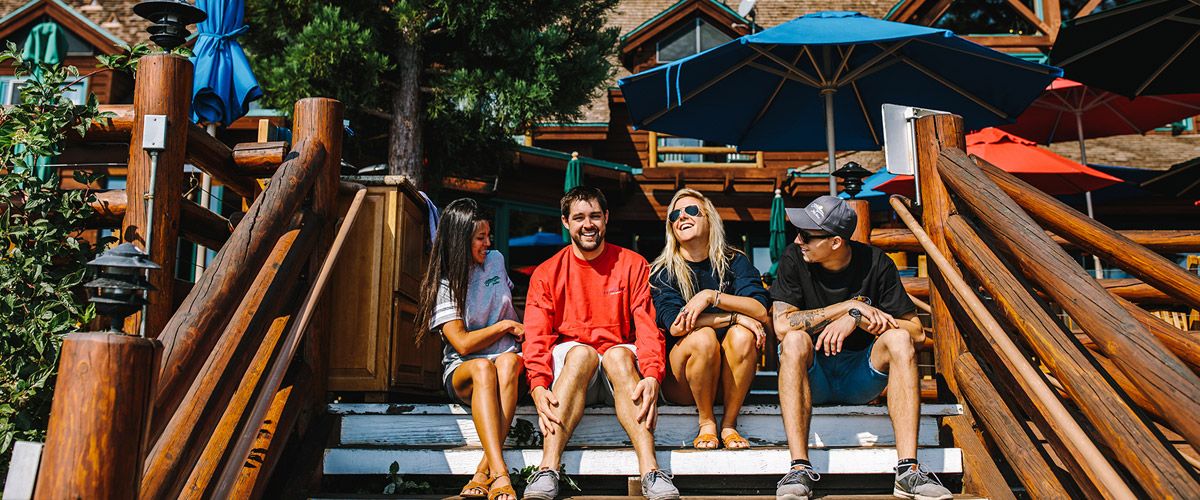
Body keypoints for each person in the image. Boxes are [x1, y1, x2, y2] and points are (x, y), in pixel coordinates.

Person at [770, 196, 951, 500]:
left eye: (808, 235)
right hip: (815, 377)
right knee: (793, 339)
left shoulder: (876, 263)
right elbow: (781, 325)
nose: (799, 240)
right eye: (798, 232)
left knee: (900, 339)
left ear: (836, 242)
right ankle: (799, 467)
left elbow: (916, 332)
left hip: (861, 375)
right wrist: (848, 306)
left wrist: (857, 320)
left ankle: (908, 470)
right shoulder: (794, 257)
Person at [521, 186, 680, 500]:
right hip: (573, 370)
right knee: (581, 354)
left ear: (606, 219)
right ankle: (548, 469)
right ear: (565, 222)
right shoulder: (547, 273)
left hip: (618, 373)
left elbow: (648, 327)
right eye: (579, 217)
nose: (588, 224)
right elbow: (536, 335)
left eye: (594, 215)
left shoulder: (633, 264)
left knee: (618, 356)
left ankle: (651, 471)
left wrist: (651, 375)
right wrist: (537, 384)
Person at [414, 199, 525, 500]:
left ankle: (482, 471)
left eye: (489, 235)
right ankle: (501, 473)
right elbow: (461, 342)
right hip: (464, 368)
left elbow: (505, 303)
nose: (488, 243)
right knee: (483, 367)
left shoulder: (497, 260)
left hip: (507, 357)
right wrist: (503, 327)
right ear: (461, 239)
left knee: (509, 364)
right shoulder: (445, 281)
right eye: (480, 237)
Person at [649, 188, 769, 450]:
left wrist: (711, 296)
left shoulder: (734, 262)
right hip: (681, 382)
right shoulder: (662, 271)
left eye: (691, 210)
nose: (682, 217)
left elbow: (760, 310)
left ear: (709, 219)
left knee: (743, 335)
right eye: (674, 215)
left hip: (728, 381)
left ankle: (729, 424)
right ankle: (706, 424)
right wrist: (735, 317)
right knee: (702, 338)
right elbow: (676, 325)